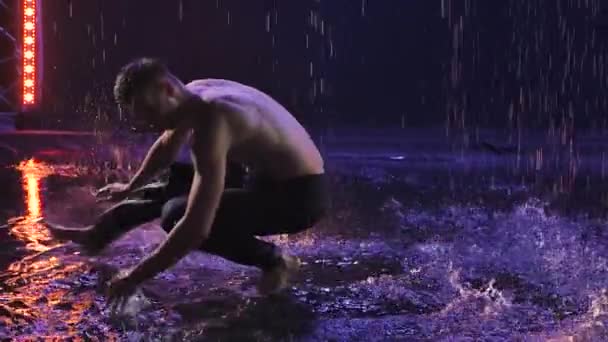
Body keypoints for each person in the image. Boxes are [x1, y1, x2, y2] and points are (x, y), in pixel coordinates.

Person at [45, 58, 329, 303]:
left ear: (167, 90)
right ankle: (97, 235)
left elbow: (195, 229)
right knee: (180, 179)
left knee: (176, 214)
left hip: (298, 199)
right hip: (265, 179)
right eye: (143, 119)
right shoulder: (193, 93)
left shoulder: (215, 119)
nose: (150, 125)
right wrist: (131, 187)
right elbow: (167, 145)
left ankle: (276, 261)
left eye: (151, 113)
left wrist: (134, 277)